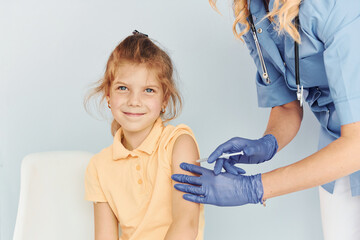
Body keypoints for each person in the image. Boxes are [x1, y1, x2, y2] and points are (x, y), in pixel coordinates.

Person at [171, 0, 360, 239]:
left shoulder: (334, 6)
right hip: (336, 150)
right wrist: (268, 142)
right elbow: (287, 105)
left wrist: (253, 188)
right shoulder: (254, 11)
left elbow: (356, 145)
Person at [84, 31, 204, 240]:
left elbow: (187, 224)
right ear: (108, 95)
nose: (134, 101)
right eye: (123, 88)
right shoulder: (99, 166)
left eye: (148, 90)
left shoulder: (179, 144)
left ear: (165, 99)